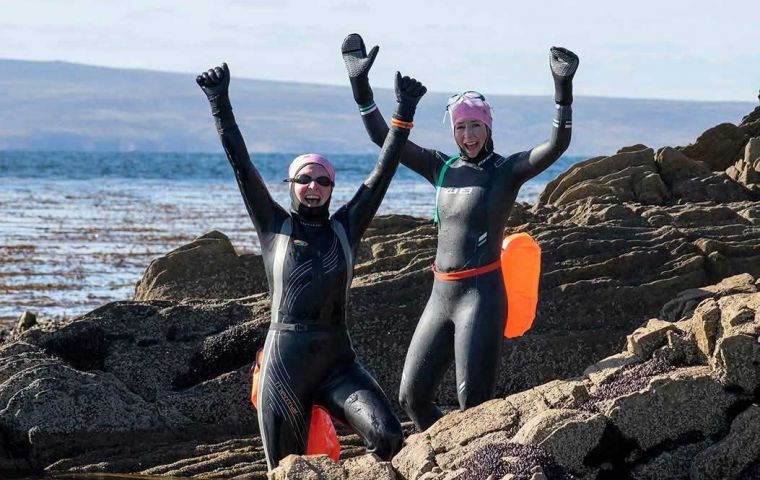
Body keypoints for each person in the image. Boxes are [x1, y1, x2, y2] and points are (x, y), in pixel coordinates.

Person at [341, 33, 578, 432]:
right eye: (461, 127)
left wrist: (562, 89)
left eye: (475, 126)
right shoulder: (442, 168)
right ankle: (446, 454)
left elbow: (557, 145)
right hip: (440, 294)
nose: (468, 136)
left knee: (474, 406)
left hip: (481, 296)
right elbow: (383, 138)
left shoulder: (506, 171)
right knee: (411, 398)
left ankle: (470, 460)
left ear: (487, 127)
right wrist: (359, 84)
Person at [197, 62, 427, 469]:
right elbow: (241, 164)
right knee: (286, 469)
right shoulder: (274, 226)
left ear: (332, 188)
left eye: (323, 181)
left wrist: (404, 112)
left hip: (338, 361)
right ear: (291, 185)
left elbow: (383, 171)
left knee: (389, 437)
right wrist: (219, 103)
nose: (314, 187)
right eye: (305, 179)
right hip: (284, 364)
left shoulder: (346, 227)